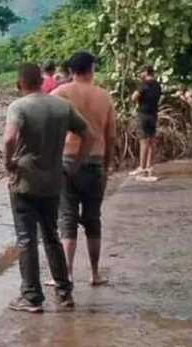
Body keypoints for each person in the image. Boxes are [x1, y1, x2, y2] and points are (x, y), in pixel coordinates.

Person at [4, 63, 95, 312]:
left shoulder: (18, 107)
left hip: (24, 180)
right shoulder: (61, 106)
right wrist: (75, 164)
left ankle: (32, 297)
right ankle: (65, 292)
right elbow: (90, 136)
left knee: (26, 239)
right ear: (41, 81)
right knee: (51, 236)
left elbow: (10, 138)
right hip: (53, 181)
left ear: (19, 83)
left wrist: (9, 163)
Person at [52, 51, 115, 286]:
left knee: (66, 218)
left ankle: (67, 274)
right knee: (92, 219)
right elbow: (111, 136)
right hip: (95, 161)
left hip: (67, 160)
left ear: (70, 70)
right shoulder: (104, 97)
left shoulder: (59, 94)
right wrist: (107, 167)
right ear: (92, 69)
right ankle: (95, 273)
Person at [130, 65, 162, 179]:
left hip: (143, 115)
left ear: (146, 72)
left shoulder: (143, 84)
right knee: (152, 141)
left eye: (141, 72)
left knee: (143, 142)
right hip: (153, 114)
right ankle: (149, 166)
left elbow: (134, 97)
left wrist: (138, 100)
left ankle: (142, 168)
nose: (140, 74)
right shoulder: (157, 85)